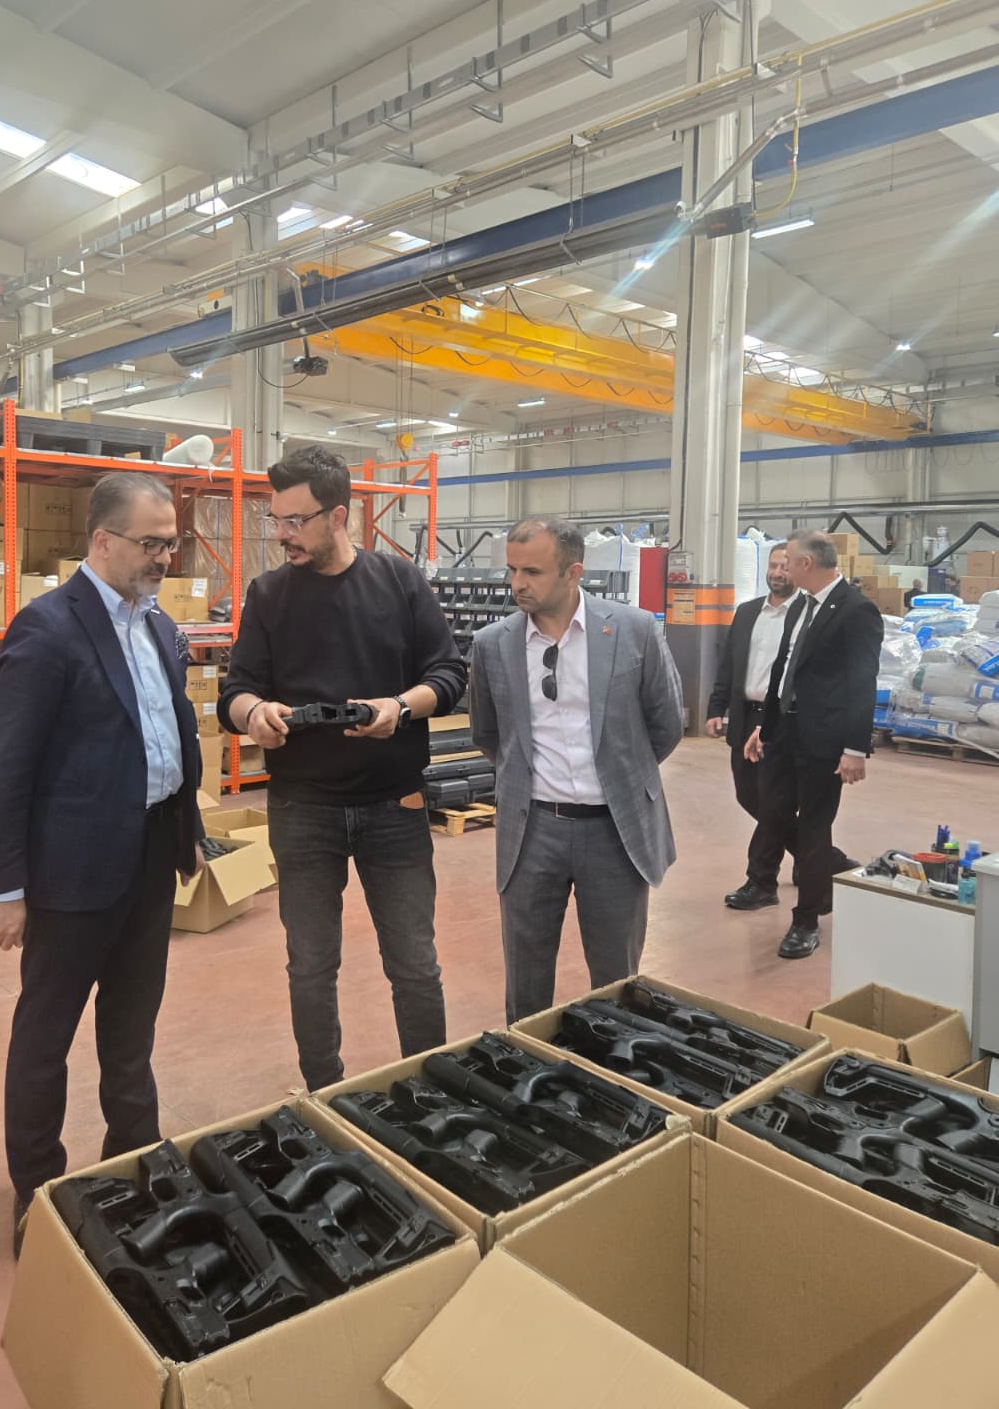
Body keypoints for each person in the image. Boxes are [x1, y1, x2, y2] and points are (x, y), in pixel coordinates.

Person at [0, 472, 206, 1256]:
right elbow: (9, 766)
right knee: (46, 1038)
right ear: (103, 541)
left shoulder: (158, 627)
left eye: (171, 543)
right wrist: (3, 888)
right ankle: (36, 1191)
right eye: (151, 543)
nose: (165, 557)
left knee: (132, 1030)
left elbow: (173, 736)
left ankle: (132, 1166)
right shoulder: (47, 630)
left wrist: (187, 831)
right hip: (72, 873)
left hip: (150, 858)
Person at [217, 446, 467, 1091]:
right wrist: (255, 713)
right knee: (309, 966)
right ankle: (323, 1093)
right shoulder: (268, 594)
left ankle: (431, 1091)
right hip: (302, 809)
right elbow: (235, 691)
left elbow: (449, 674)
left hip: (395, 806)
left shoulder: (400, 582)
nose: (283, 534)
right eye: (277, 519)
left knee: (414, 964)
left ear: (338, 516)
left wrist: (398, 708)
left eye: (295, 521)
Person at [470, 518, 684, 1024]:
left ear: (573, 573)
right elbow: (489, 734)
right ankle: (527, 1059)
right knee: (526, 978)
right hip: (532, 831)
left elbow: (667, 724)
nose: (517, 584)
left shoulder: (633, 630)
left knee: (616, 982)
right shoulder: (492, 644)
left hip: (614, 829)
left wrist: (619, 779)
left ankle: (616, 1062)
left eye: (532, 572)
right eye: (512, 570)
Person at [745, 529, 883, 960]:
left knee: (814, 826)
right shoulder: (801, 606)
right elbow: (784, 671)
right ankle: (828, 873)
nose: (782, 568)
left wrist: (855, 749)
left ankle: (806, 921)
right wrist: (765, 727)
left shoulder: (856, 610)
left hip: (825, 739)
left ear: (806, 564)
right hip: (785, 732)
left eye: (787, 561)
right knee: (770, 811)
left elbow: (863, 683)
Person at [707, 545, 800, 910]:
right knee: (748, 796)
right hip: (744, 716)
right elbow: (729, 664)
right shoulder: (747, 612)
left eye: (785, 567)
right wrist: (716, 707)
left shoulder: (806, 616)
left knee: (774, 801)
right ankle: (818, 857)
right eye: (773, 565)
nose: (777, 573)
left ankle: (761, 882)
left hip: (780, 720)